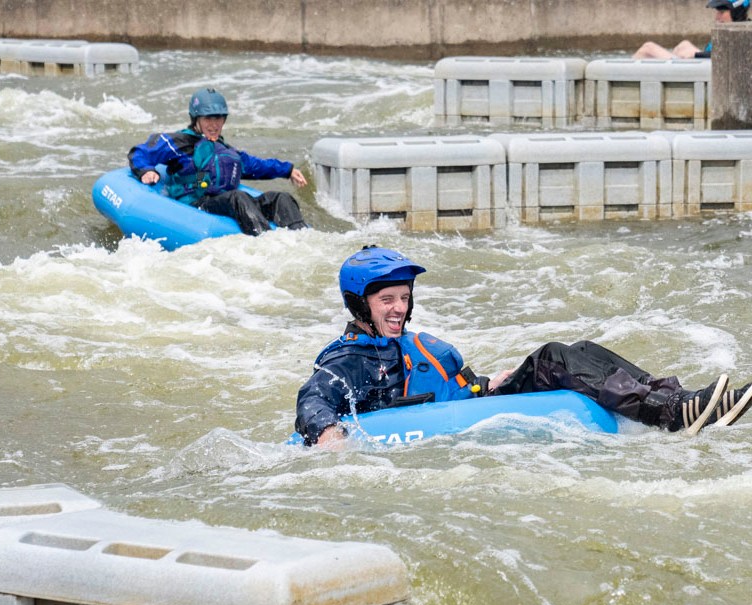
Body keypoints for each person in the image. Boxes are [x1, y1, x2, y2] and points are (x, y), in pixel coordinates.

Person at [295, 246, 752, 446]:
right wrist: (332, 439)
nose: (399, 307)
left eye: (404, 297)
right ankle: (672, 413)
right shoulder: (349, 357)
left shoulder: (408, 342)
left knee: (566, 352)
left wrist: (487, 383)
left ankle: (675, 401)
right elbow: (314, 399)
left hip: (476, 403)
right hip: (410, 430)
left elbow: (457, 384)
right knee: (555, 357)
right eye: (387, 299)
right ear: (360, 302)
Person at [127, 88, 309, 236]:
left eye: (219, 118)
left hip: (227, 201)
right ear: (196, 119)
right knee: (237, 196)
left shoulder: (226, 150)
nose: (214, 124)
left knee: (281, 198)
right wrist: (145, 170)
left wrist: (288, 170)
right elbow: (140, 152)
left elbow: (255, 166)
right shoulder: (178, 142)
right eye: (208, 118)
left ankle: (303, 241)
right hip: (198, 203)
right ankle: (268, 243)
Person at [632, 0, 749, 59]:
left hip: (708, 72)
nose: (717, 17)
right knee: (684, 45)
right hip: (702, 66)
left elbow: (733, 56)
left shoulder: (745, 34)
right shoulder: (731, 31)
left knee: (648, 48)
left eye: (721, 12)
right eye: (717, 12)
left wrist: (696, 54)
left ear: (737, 12)